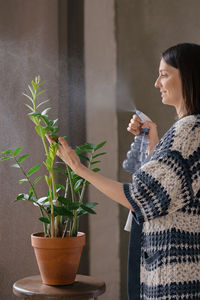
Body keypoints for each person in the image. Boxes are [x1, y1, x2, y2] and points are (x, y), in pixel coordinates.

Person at [47, 43, 200, 300]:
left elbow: (140, 196)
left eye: (164, 74)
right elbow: (167, 191)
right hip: (175, 277)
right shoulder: (186, 130)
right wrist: (154, 142)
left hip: (176, 283)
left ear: (188, 75)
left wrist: (77, 167)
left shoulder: (189, 131)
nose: (156, 83)